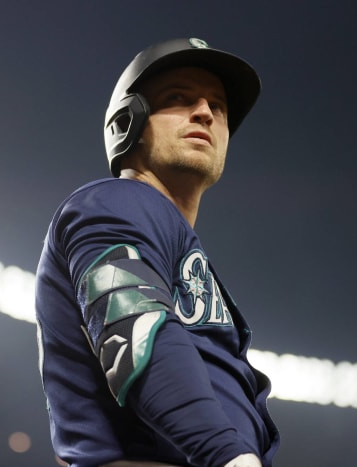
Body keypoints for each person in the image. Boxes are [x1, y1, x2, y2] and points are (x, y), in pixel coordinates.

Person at [34, 38, 280, 467]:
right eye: (179, 98)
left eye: (218, 107)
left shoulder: (170, 240)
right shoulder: (114, 203)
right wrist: (230, 457)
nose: (205, 112)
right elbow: (137, 334)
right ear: (128, 122)